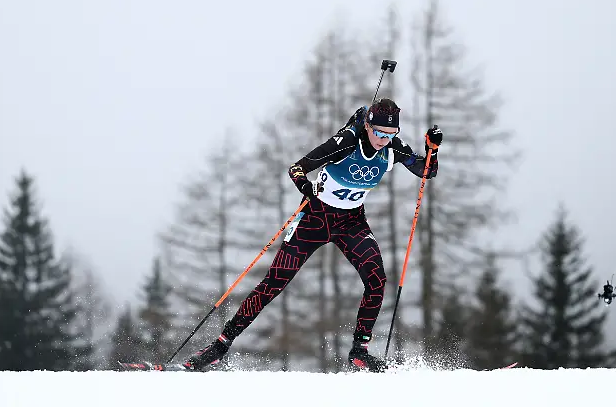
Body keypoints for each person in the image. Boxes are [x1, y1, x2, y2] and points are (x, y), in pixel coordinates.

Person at [183, 98, 443, 372]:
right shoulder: (345, 142)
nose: (383, 139)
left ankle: (359, 351)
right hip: (315, 219)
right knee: (274, 282)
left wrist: (432, 149)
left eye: (390, 134)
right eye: (378, 132)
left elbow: (427, 170)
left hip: (351, 223)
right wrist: (305, 186)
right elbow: (296, 168)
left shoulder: (392, 149)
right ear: (367, 125)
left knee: (377, 280)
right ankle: (219, 346)